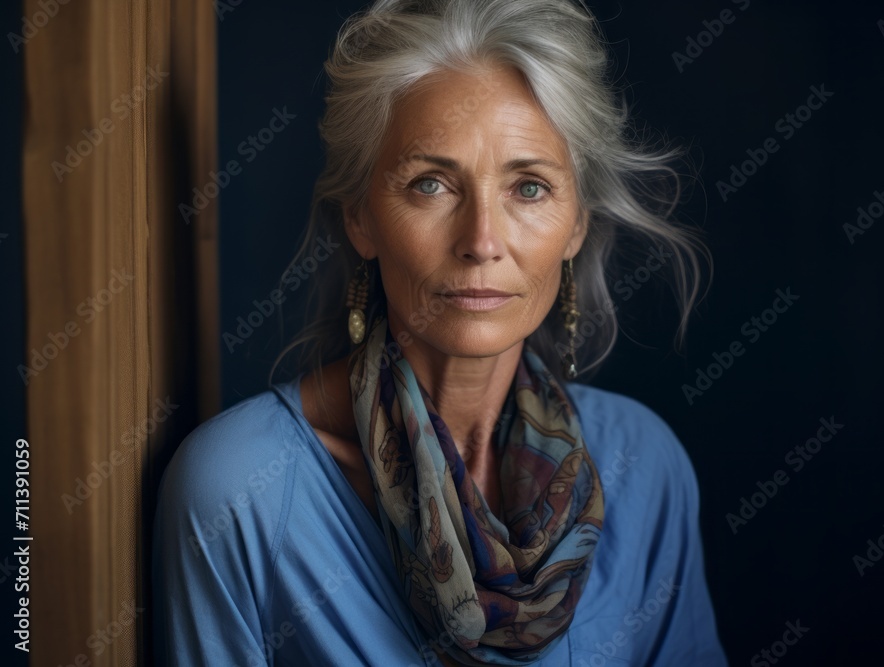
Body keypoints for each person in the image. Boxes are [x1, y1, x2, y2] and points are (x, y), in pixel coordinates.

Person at [153, 0, 728, 665]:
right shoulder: (238, 491)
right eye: (431, 183)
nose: (482, 240)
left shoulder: (644, 467)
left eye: (530, 188)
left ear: (577, 226)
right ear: (361, 218)